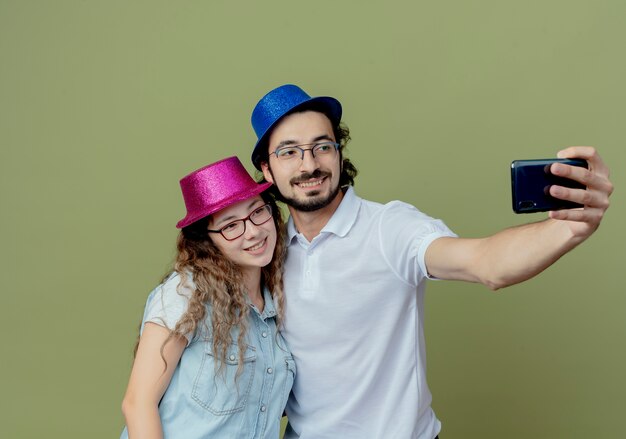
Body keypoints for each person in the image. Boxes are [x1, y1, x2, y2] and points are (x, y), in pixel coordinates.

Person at [248, 84, 613, 439]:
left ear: (339, 152)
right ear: (267, 170)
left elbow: (486, 262)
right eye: (290, 152)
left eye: (322, 146)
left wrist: (572, 229)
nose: (309, 164)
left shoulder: (389, 228)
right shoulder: (267, 254)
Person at [120, 156, 295, 439]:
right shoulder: (188, 292)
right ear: (207, 239)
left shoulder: (281, 304)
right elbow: (138, 404)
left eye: (257, 212)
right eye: (230, 226)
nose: (253, 232)